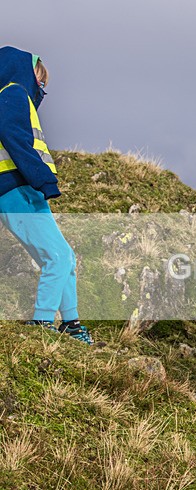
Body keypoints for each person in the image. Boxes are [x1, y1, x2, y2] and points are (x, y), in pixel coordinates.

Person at [0, 46, 93, 345]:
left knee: (62, 257)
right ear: (26, 73)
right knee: (58, 256)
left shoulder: (11, 95)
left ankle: (72, 324)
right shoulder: (13, 93)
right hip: (17, 190)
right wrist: (44, 180)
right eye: (40, 80)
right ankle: (42, 322)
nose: (42, 89)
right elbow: (13, 137)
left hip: (22, 190)